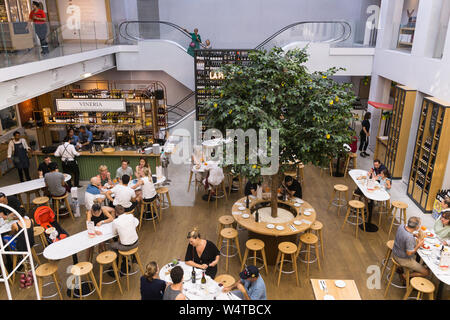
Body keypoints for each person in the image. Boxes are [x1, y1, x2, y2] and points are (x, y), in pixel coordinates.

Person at [392, 216, 430, 282]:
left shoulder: (401, 226)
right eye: (419, 225)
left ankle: (417, 268)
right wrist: (419, 245)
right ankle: (406, 276)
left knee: (417, 257)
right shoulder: (409, 238)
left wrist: (414, 235)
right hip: (402, 259)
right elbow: (409, 253)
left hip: (395, 252)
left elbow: (406, 234)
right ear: (417, 227)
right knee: (426, 272)